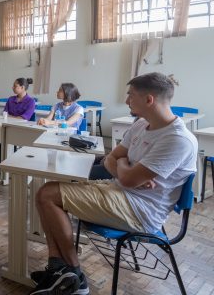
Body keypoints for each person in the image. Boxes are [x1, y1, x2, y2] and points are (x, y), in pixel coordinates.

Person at [29, 73, 197, 294]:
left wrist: (124, 167)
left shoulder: (178, 139)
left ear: (149, 100)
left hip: (141, 211)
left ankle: (75, 277)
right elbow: (111, 159)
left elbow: (124, 175)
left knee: (48, 194)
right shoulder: (140, 126)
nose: (127, 100)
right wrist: (126, 167)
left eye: (131, 95)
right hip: (121, 193)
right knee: (46, 192)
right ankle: (58, 269)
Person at [0, 78, 36, 171]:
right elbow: (5, 113)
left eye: (15, 86)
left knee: (5, 138)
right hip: (7, 126)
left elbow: (24, 118)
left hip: (21, 129)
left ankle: (7, 164)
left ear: (22, 87)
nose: (12, 87)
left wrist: (10, 116)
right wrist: (12, 116)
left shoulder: (30, 101)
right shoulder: (11, 99)